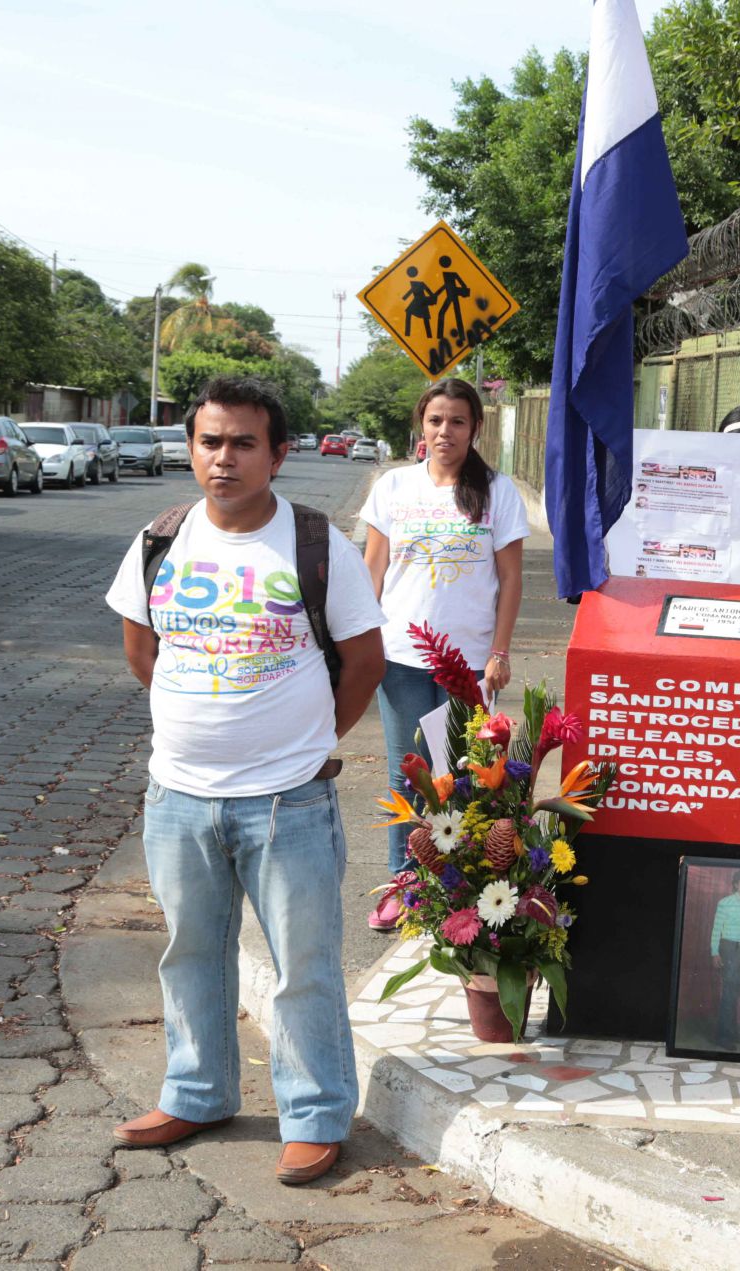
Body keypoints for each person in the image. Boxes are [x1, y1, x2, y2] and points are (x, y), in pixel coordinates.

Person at [104, 376, 386, 1185]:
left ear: (279, 453)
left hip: (287, 801)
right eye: (210, 441)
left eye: (243, 443)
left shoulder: (317, 544)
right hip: (178, 796)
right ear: (191, 448)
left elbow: (363, 664)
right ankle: (196, 1092)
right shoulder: (160, 538)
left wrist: (302, 742)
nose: (223, 459)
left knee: (305, 964)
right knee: (190, 952)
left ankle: (316, 1115)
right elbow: (141, 648)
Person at [360, 379, 529, 929]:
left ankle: (456, 886)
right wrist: (359, 644)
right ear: (421, 426)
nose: (445, 431)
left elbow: (510, 578)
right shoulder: (393, 488)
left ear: (475, 428)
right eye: (435, 421)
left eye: (457, 421)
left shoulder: (497, 491)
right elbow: (374, 571)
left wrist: (500, 650)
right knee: (408, 773)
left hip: (471, 662)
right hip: (400, 655)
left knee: (463, 772)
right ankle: (402, 884)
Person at [709, 870, 740, 1049]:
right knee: (729, 993)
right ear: (736, 884)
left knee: (735, 992)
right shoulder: (725, 903)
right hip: (728, 949)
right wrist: (715, 952)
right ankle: (722, 1036)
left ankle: (732, 1031)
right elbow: (716, 929)